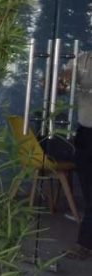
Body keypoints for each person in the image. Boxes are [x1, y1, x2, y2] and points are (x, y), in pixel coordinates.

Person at [59, 50, 92, 259]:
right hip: (87, 134)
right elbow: (62, 84)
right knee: (90, 194)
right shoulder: (83, 60)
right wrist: (60, 82)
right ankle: (86, 245)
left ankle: (85, 245)